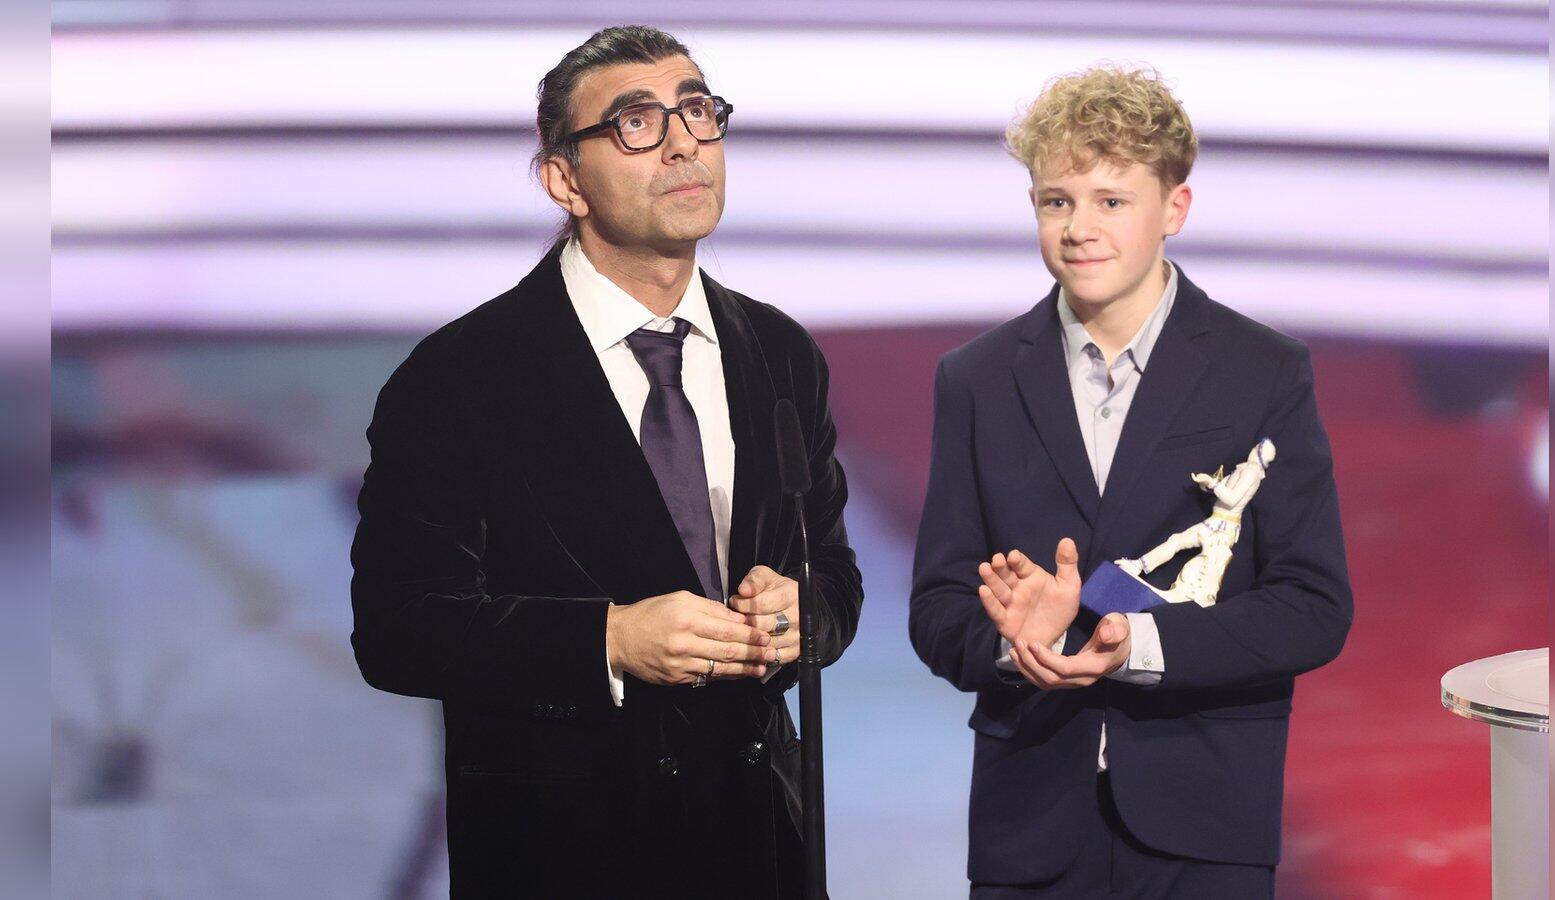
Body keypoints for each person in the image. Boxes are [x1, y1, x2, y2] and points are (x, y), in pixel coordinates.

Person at [350, 25, 862, 898]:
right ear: (565, 179)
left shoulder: (780, 352)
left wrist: (799, 615)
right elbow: (399, 629)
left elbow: (837, 581)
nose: (683, 144)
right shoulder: (461, 376)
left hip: (761, 845)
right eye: (636, 123)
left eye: (697, 112)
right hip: (570, 851)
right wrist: (611, 639)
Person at [907, 66, 1352, 897]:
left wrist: (1135, 646)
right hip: (1029, 828)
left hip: (1206, 823)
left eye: (1111, 200)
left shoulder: (1262, 371)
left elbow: (1313, 605)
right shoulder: (976, 379)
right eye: (1057, 201)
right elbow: (936, 610)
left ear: (1174, 209)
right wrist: (1016, 644)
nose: (1079, 228)